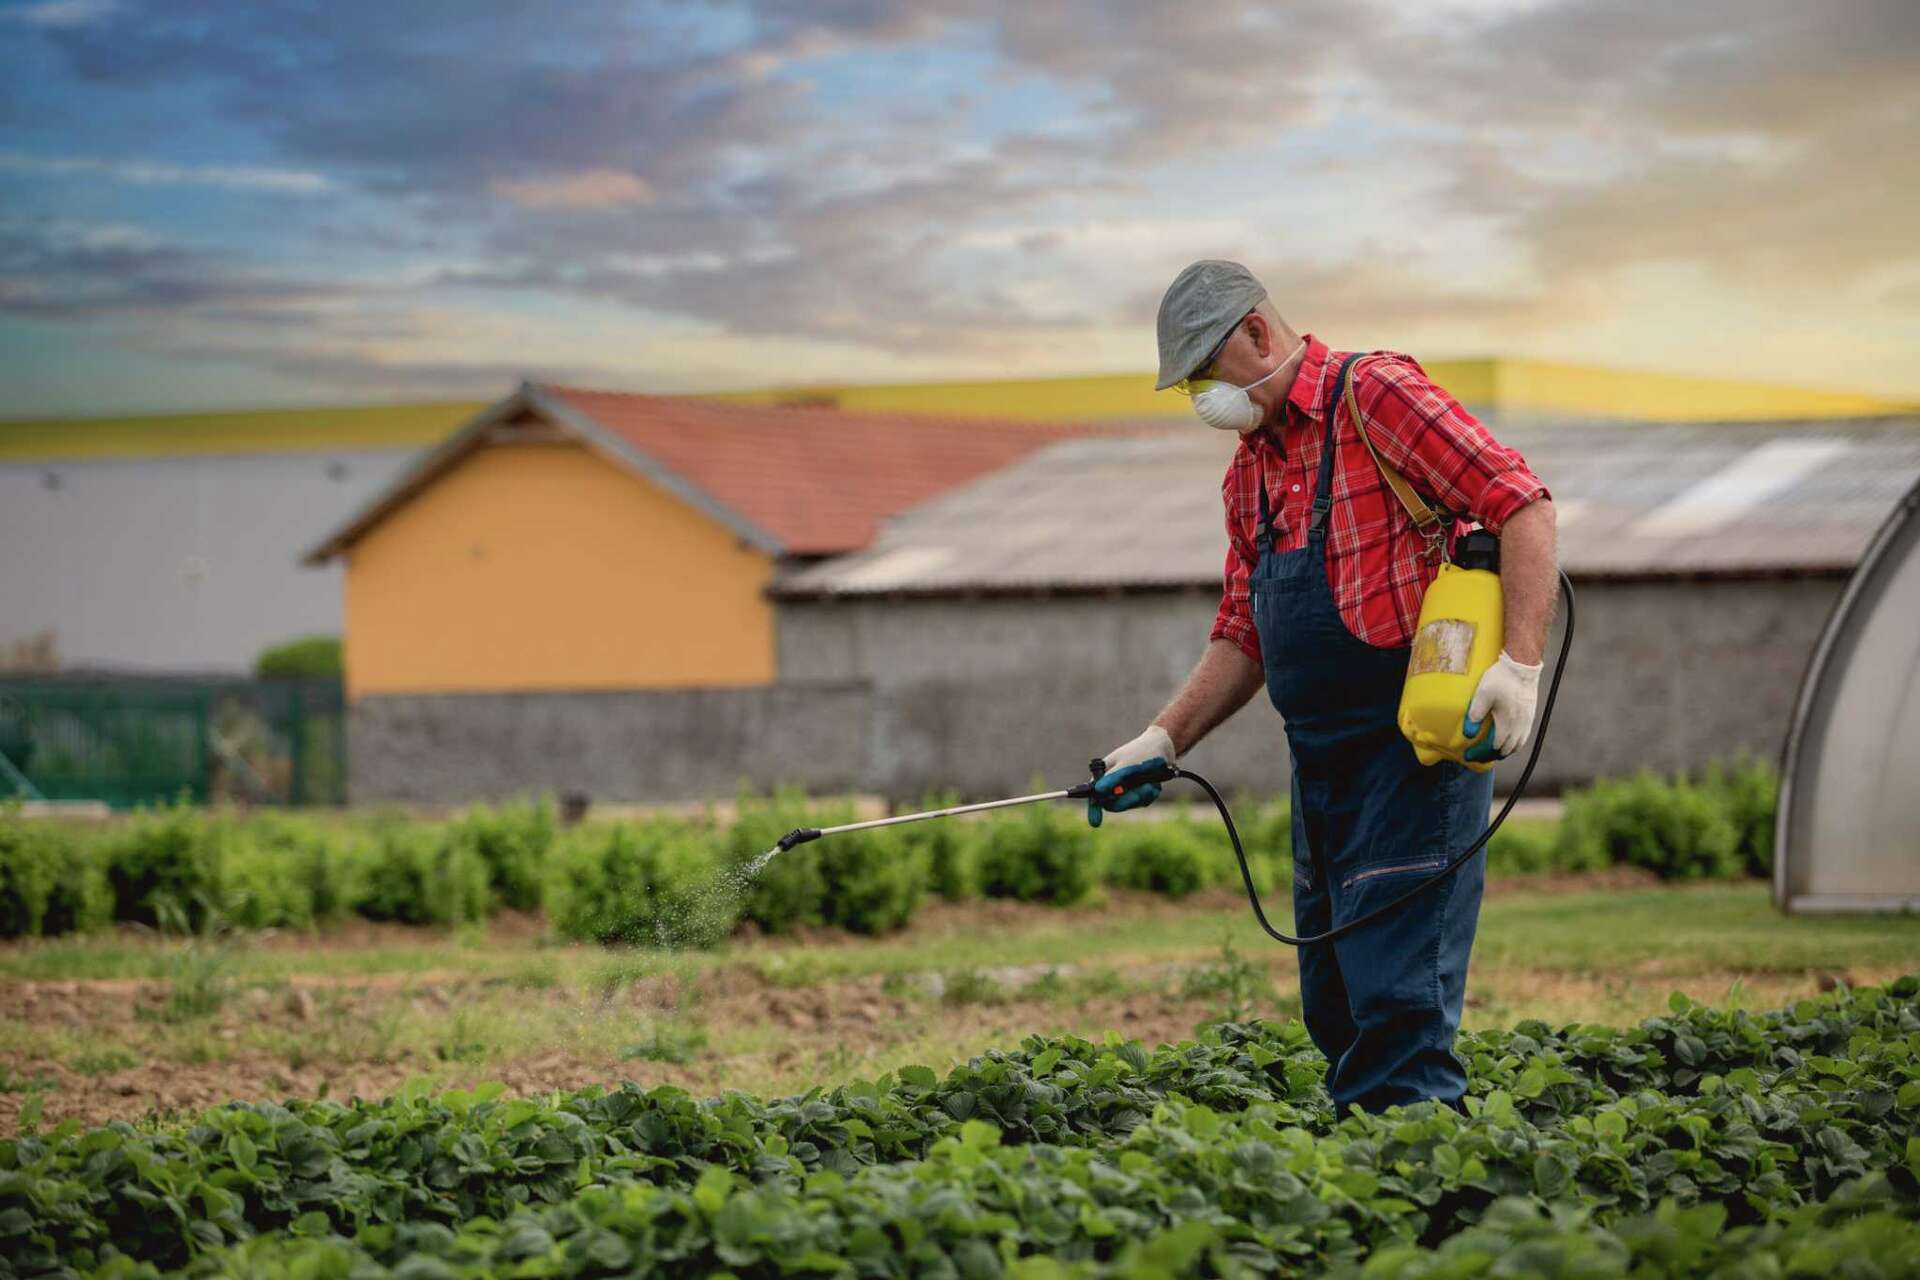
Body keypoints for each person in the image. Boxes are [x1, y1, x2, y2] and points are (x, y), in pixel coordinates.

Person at [1091, 259, 1558, 1115]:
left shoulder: (1374, 397)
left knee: (1397, 1008)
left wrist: (1518, 666)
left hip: (1413, 755)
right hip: (1322, 768)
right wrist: (1162, 739)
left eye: (1204, 372)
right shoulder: (1251, 471)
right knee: (1337, 1005)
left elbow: (1520, 504)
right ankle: (1369, 1192)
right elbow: (1243, 631)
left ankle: (1430, 1209)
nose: (1202, 398)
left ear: (1258, 335)